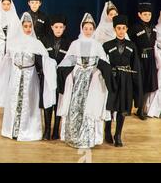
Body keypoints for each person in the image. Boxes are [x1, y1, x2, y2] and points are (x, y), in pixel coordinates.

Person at [57, 13, 112, 149]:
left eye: (90, 28)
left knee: (90, 106)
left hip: (92, 78)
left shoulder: (97, 45)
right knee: (75, 106)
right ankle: (72, 135)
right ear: (82, 29)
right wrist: (67, 71)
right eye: (85, 28)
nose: (88, 31)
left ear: (93, 30)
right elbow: (69, 59)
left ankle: (90, 137)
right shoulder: (75, 44)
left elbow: (103, 61)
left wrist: (97, 72)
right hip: (77, 78)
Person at [1, 12, 57, 141]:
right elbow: (7, 59)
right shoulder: (13, 42)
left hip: (29, 76)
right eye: (25, 26)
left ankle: (26, 131)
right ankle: (12, 130)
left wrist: (52, 65)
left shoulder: (36, 43)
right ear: (21, 27)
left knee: (28, 103)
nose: (27, 29)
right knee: (13, 101)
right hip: (16, 75)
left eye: (29, 26)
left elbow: (45, 59)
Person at [103, 15, 143, 147]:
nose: (121, 31)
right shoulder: (107, 45)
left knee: (123, 107)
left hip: (126, 80)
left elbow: (135, 65)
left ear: (126, 29)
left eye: (123, 28)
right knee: (110, 106)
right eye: (118, 28)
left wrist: (136, 83)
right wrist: (109, 71)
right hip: (112, 79)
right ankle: (107, 131)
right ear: (114, 29)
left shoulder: (132, 46)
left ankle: (118, 134)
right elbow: (103, 63)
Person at [41, 14, 72, 140]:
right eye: (56, 27)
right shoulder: (44, 40)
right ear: (51, 27)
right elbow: (40, 57)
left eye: (61, 27)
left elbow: (71, 61)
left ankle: (56, 129)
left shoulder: (69, 43)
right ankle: (47, 129)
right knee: (48, 102)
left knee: (59, 103)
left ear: (64, 28)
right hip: (48, 77)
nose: (58, 29)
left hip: (61, 78)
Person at [129, 3, 158, 120]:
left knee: (147, 83)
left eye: (149, 14)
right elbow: (129, 42)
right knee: (139, 83)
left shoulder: (153, 27)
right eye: (145, 14)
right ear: (139, 15)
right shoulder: (135, 28)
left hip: (150, 58)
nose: (147, 16)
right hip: (139, 59)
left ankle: (142, 109)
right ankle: (134, 108)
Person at [146, 10, 161, 118]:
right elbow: (154, 45)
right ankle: (154, 109)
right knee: (158, 84)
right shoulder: (156, 28)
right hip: (158, 57)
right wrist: (159, 59)